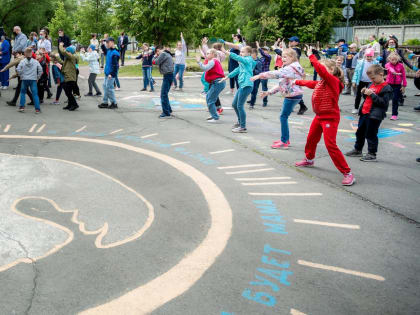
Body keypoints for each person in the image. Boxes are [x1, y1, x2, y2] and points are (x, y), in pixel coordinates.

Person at [293, 46, 354, 186]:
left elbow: (320, 71)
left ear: (331, 70)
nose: (320, 70)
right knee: (311, 139)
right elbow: (310, 83)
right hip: (319, 116)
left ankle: (347, 173)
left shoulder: (334, 81)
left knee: (330, 145)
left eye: (323, 68)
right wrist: (296, 81)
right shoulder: (322, 82)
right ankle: (309, 159)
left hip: (330, 118)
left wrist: (311, 56)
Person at [252, 48, 305, 148]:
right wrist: (268, 92)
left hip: (292, 95)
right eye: (282, 56)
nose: (283, 58)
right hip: (294, 95)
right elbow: (281, 83)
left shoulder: (290, 68)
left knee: (283, 117)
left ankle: (284, 141)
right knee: (283, 116)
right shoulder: (291, 67)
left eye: (285, 57)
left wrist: (260, 75)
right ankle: (285, 140)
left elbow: (275, 74)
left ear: (292, 57)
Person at [346, 64, 392, 162]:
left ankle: (372, 154)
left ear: (381, 74)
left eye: (373, 78)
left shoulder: (386, 88)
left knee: (371, 134)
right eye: (370, 79)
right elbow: (367, 99)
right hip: (365, 113)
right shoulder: (372, 84)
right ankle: (358, 149)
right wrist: (364, 93)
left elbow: (383, 103)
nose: (372, 80)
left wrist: (372, 94)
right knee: (360, 132)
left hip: (374, 116)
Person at [220, 45, 255, 133]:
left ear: (249, 53)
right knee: (234, 104)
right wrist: (227, 77)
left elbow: (239, 58)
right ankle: (240, 122)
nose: (241, 53)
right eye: (241, 51)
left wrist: (226, 52)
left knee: (239, 105)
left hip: (247, 85)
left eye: (243, 52)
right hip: (242, 85)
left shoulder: (248, 60)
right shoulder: (244, 62)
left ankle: (243, 127)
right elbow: (237, 70)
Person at [196, 48, 226, 122]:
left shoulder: (213, 61)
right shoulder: (213, 61)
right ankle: (214, 114)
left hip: (217, 82)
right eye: (206, 53)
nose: (206, 54)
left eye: (208, 53)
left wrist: (199, 62)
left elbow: (204, 68)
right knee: (209, 98)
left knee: (210, 100)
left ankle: (215, 117)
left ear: (213, 54)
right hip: (216, 82)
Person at [16, 47, 42, 113]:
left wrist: (21, 76)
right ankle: (37, 109)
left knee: (22, 93)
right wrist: (38, 77)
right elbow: (40, 70)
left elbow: (18, 69)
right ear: (31, 54)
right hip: (33, 79)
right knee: (35, 94)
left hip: (24, 79)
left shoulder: (22, 61)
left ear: (25, 54)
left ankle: (22, 107)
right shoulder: (35, 61)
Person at [352, 48, 378, 114]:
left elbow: (377, 72)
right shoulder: (360, 62)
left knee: (368, 95)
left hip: (370, 82)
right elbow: (356, 72)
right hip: (361, 81)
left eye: (370, 56)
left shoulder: (375, 63)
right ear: (365, 56)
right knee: (358, 95)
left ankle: (368, 108)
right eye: (367, 56)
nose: (369, 58)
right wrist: (354, 81)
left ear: (373, 56)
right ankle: (356, 108)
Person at [288, 36, 308, 115]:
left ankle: (302, 106)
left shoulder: (296, 49)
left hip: (295, 71)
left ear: (296, 42)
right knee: (290, 88)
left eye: (292, 41)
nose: (290, 42)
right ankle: (292, 106)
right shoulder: (293, 49)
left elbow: (289, 54)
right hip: (292, 69)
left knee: (294, 89)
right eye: (290, 41)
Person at [153, 46, 174, 118]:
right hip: (169, 75)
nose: (158, 53)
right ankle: (169, 109)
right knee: (165, 94)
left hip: (168, 75)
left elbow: (155, 62)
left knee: (163, 95)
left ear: (162, 49)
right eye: (157, 52)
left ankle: (166, 112)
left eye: (159, 51)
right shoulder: (167, 54)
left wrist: (154, 56)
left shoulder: (163, 54)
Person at [98, 37, 119, 109]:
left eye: (108, 42)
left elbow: (115, 66)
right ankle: (105, 102)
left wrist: (112, 74)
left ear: (112, 42)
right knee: (105, 87)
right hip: (107, 73)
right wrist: (102, 44)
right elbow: (104, 50)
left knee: (109, 88)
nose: (106, 44)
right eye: (106, 42)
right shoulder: (109, 51)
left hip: (111, 74)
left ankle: (114, 103)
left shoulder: (115, 53)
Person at [385, 53, 406, 121]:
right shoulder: (387, 64)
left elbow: (403, 76)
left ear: (398, 59)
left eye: (395, 59)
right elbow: (390, 68)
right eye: (392, 59)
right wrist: (395, 72)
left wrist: (404, 85)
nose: (393, 61)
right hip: (388, 84)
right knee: (385, 99)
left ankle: (394, 114)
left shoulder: (401, 65)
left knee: (395, 100)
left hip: (397, 85)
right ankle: (383, 112)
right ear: (389, 59)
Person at [59, 43, 79, 111]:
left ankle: (75, 104)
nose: (66, 53)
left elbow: (63, 52)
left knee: (68, 91)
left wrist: (61, 45)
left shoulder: (71, 56)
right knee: (68, 91)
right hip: (67, 76)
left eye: (67, 51)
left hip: (70, 77)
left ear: (69, 52)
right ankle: (70, 104)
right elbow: (63, 63)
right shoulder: (68, 58)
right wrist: (57, 59)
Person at [255, 41, 271, 107]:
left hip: (265, 75)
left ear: (268, 51)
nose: (264, 51)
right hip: (259, 75)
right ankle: (253, 99)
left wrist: (258, 47)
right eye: (263, 50)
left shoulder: (268, 57)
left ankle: (265, 101)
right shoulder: (261, 58)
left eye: (265, 50)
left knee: (264, 88)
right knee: (255, 87)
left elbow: (263, 53)